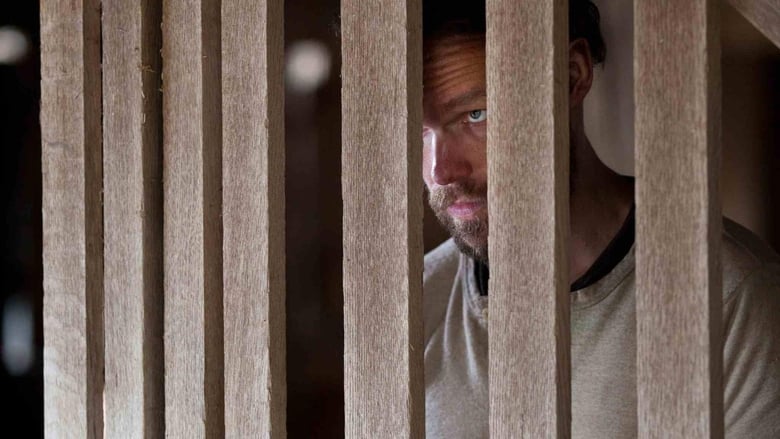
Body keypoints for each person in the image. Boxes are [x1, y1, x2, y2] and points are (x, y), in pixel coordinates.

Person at [420, 0, 780, 437]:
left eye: (476, 115)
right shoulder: (418, 302)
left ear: (572, 75)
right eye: (420, 130)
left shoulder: (730, 296)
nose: (440, 171)